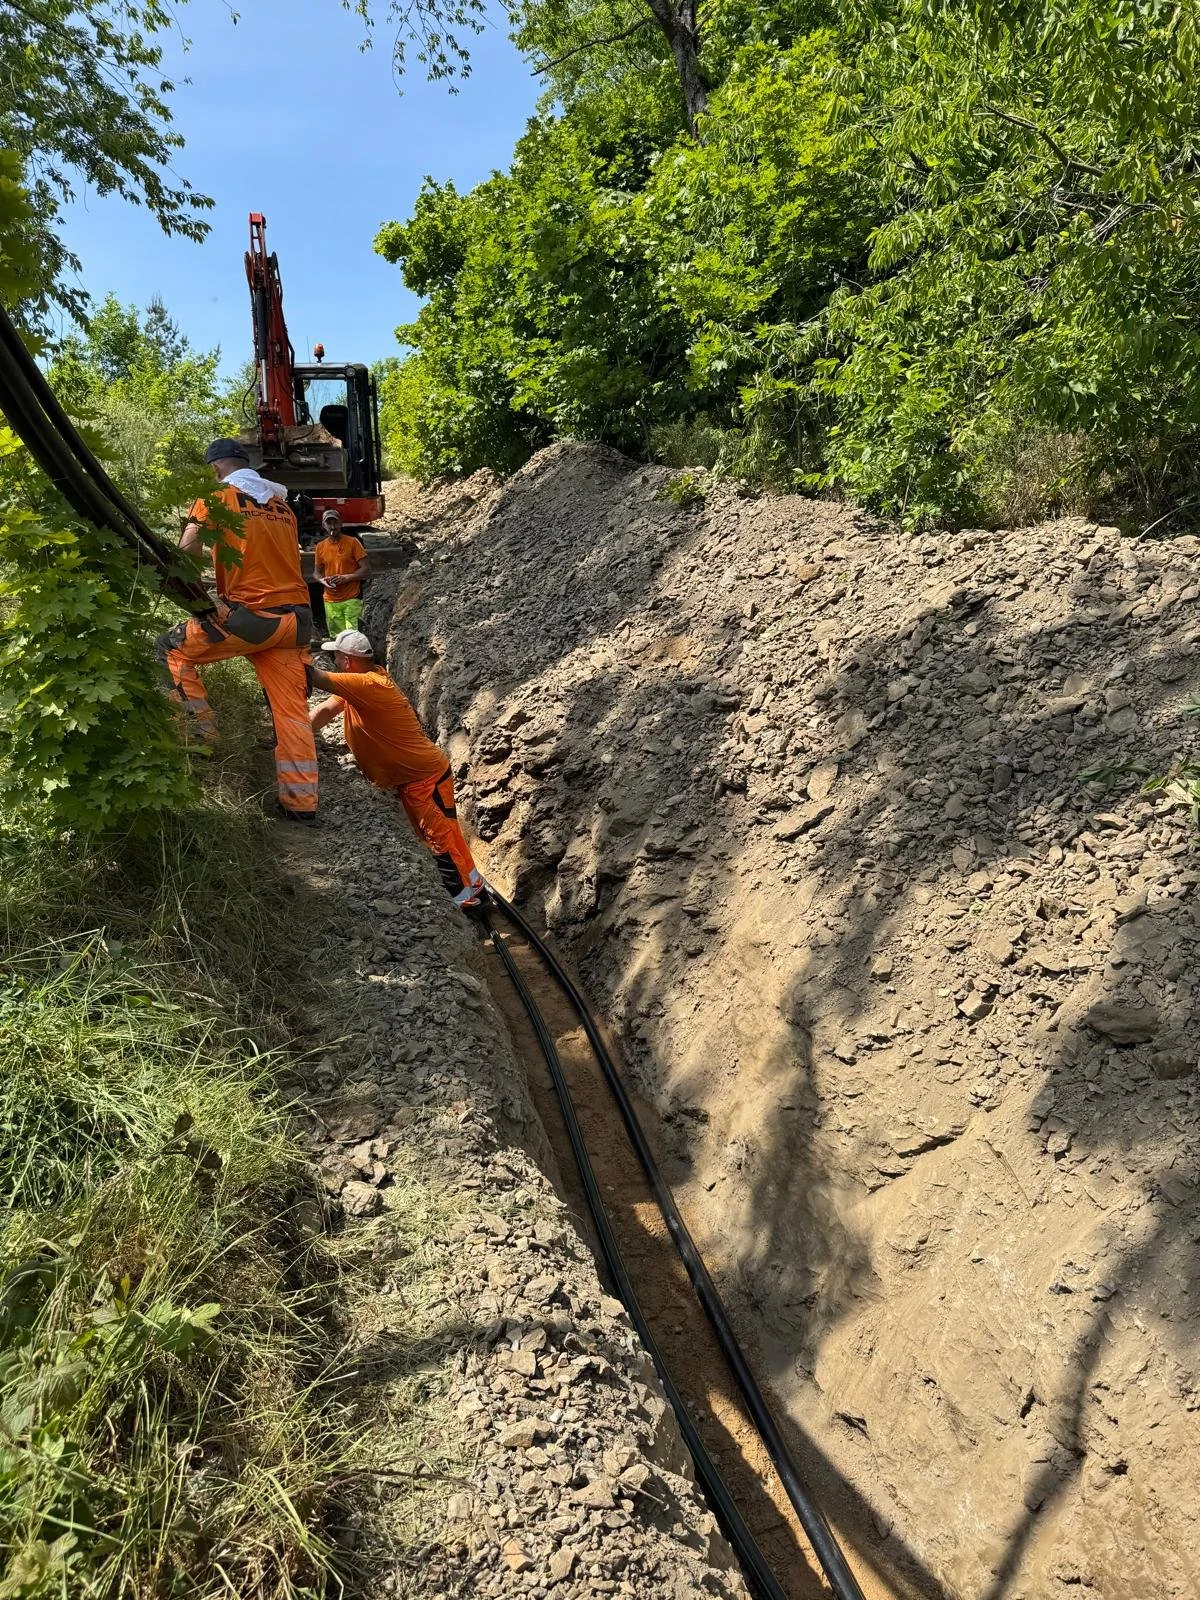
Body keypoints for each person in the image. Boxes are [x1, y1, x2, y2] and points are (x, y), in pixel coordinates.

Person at [156, 438, 319, 821]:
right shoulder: (281, 505)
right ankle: (301, 805)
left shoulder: (215, 499)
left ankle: (200, 740)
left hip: (249, 618)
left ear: (215, 469)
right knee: (291, 713)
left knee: (169, 649)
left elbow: (186, 556)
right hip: (296, 621)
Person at [308, 629, 486, 907]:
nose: (333, 661)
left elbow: (314, 678)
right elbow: (326, 711)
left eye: (335, 656)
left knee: (440, 838)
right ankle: (471, 886)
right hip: (412, 777)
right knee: (440, 835)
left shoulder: (368, 686)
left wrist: (286, 652)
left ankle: (467, 900)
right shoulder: (361, 687)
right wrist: (296, 735)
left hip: (424, 777)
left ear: (346, 661)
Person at [314, 511, 369, 635]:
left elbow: (366, 569)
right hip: (330, 600)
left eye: (335, 522)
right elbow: (316, 573)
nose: (332, 527)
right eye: (329, 523)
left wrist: (346, 578)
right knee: (337, 638)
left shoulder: (352, 542)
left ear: (341, 523)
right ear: (324, 525)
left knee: (353, 637)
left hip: (351, 598)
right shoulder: (321, 547)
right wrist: (322, 580)